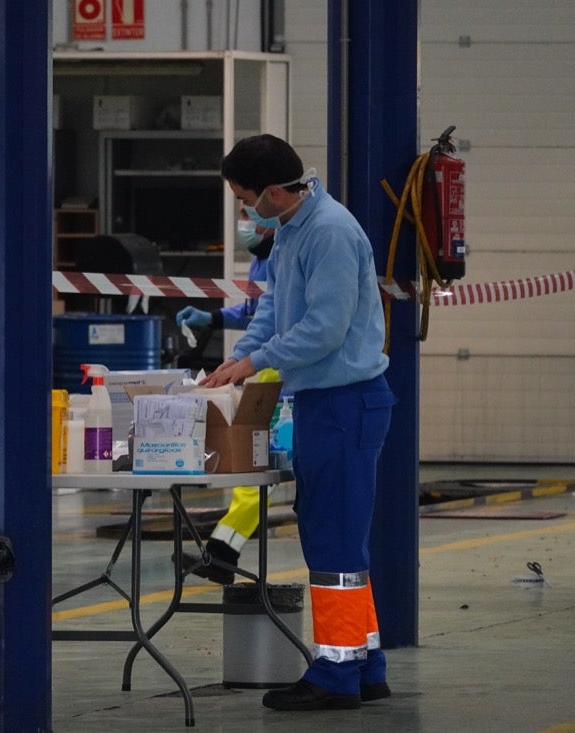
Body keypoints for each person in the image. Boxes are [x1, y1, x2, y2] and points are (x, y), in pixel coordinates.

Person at [200, 134, 396, 712]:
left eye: (246, 199)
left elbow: (324, 329)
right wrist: (239, 360)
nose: (245, 212)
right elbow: (273, 310)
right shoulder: (290, 230)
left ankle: (336, 674)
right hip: (322, 403)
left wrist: (258, 362)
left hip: (345, 404)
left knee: (334, 544)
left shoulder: (329, 233)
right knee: (339, 541)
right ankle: (365, 662)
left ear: (275, 192)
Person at [174, 212, 276, 585]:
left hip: (279, 373)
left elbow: (279, 322)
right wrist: (213, 318)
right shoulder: (261, 258)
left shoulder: (286, 253)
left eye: (249, 210)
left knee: (256, 463)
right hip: (264, 369)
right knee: (254, 465)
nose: (243, 220)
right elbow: (256, 316)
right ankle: (221, 553)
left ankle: (221, 554)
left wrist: (243, 362)